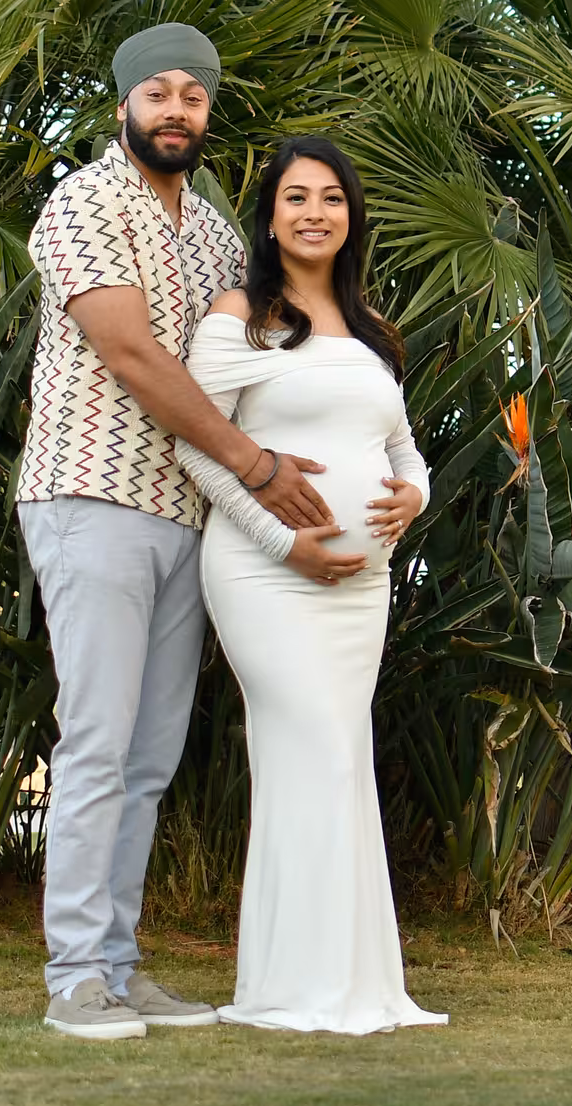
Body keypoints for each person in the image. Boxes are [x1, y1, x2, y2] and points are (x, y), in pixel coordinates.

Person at [17, 25, 361, 1041]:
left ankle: (118, 968)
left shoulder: (214, 233)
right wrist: (257, 468)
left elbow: (255, 368)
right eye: (158, 93)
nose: (176, 110)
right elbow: (130, 354)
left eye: (193, 97)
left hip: (186, 514)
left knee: (149, 754)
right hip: (91, 496)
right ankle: (75, 976)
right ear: (124, 102)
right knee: (98, 739)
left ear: (209, 113)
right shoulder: (85, 200)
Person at [177, 136, 448, 1035]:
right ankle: (296, 988)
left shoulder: (371, 332)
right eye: (296, 198)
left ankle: (354, 984)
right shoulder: (238, 318)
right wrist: (282, 541)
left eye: (330, 198)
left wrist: (412, 495)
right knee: (316, 754)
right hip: (263, 577)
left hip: (360, 593)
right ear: (269, 216)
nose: (314, 213)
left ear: (350, 215)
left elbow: (406, 452)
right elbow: (200, 448)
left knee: (337, 762)